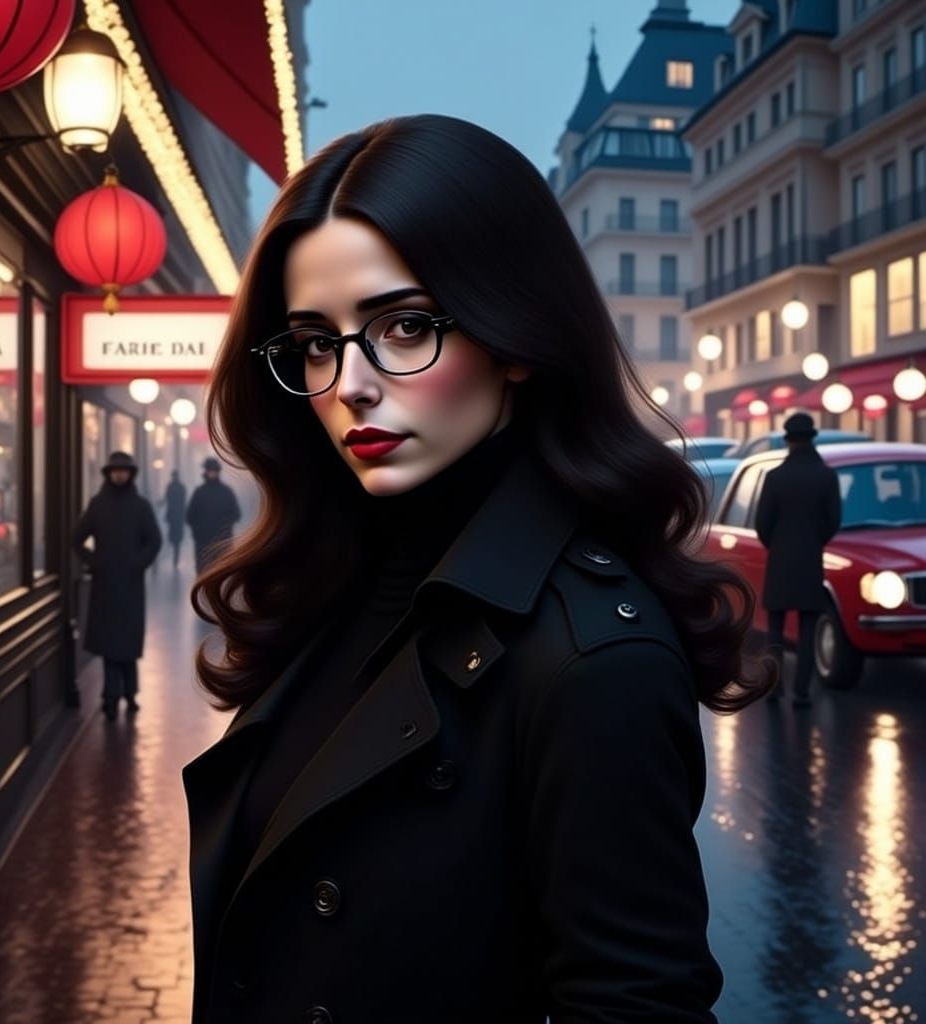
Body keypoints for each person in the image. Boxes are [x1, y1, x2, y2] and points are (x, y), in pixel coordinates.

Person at [184, 114, 774, 1024]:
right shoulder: (330, 585)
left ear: (514, 337)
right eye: (315, 340)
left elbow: (633, 1001)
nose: (351, 384)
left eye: (404, 326)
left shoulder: (590, 657)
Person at [755, 411, 842, 708]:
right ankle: (802, 692)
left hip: (779, 561)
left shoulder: (775, 477)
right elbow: (834, 520)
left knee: (775, 629)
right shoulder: (827, 476)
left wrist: (777, 545)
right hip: (810, 561)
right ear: (812, 439)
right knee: (807, 628)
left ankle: (775, 687)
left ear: (788, 441)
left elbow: (762, 524)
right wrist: (814, 541)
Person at [72, 451, 162, 720]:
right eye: (115, 470)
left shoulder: (141, 506)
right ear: (109, 474)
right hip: (107, 584)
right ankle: (112, 696)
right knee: (112, 645)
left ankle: (129, 694)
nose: (119, 474)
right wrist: (95, 562)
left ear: (130, 474)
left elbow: (154, 540)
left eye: (124, 470)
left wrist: (139, 563)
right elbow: (77, 538)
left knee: (127, 643)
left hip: (131, 584)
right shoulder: (98, 505)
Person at [185, 457, 241, 573]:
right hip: (206, 545)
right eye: (210, 470)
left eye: (213, 470)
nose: (212, 473)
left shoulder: (222, 492)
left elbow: (236, 514)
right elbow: (189, 517)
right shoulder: (201, 492)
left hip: (219, 545)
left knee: (218, 576)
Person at [162, 469, 187, 569]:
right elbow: (168, 499)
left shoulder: (176, 487)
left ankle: (175, 557)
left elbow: (180, 501)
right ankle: (175, 555)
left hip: (176, 515)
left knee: (176, 537)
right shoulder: (177, 487)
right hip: (175, 515)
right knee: (175, 537)